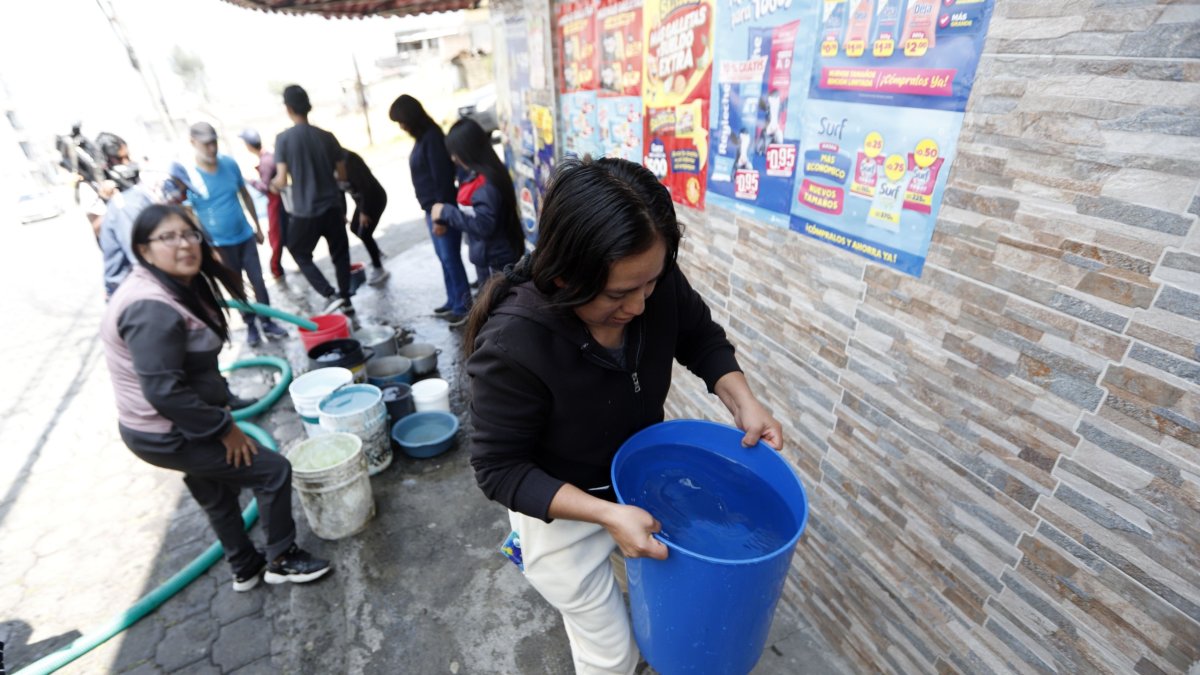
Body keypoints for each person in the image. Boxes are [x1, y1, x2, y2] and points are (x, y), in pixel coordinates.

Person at [464, 157, 783, 674]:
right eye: (617, 294)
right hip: (562, 509)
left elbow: (699, 337)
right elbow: (499, 469)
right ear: (566, 276)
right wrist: (607, 516)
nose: (638, 306)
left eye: (650, 284)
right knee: (612, 656)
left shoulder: (649, 279)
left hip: (636, 485)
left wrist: (742, 399)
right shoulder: (513, 345)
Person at [100, 204, 333, 591]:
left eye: (190, 234)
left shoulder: (167, 285)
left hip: (173, 425)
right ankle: (282, 559)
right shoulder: (150, 309)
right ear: (143, 250)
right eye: (168, 237)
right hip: (168, 431)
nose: (184, 245)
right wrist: (225, 429)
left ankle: (245, 567)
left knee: (216, 490)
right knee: (272, 471)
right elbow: (163, 392)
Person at [180, 122, 288, 348]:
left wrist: (257, 227)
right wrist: (207, 248)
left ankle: (267, 322)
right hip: (219, 245)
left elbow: (245, 195)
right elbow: (189, 214)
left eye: (214, 143)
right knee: (237, 287)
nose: (212, 149)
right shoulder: (190, 176)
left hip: (244, 236)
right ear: (193, 143)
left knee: (258, 281)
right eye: (206, 144)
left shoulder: (229, 164)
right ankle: (250, 325)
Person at [271, 85, 354, 315]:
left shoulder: (283, 139)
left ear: (288, 108)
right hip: (333, 206)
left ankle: (329, 294)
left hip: (306, 211)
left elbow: (281, 179)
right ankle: (346, 298)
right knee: (340, 254)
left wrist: (271, 186)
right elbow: (343, 175)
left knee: (298, 251)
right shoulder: (327, 137)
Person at [388, 94, 470, 323]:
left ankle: (463, 306)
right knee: (444, 258)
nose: (402, 127)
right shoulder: (423, 138)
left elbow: (442, 179)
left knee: (450, 258)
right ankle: (453, 300)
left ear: (412, 118)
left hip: (440, 210)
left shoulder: (432, 138)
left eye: (402, 122)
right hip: (432, 210)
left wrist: (440, 218)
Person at [430, 118, 523, 295]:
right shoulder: (490, 172)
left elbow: (483, 225)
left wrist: (446, 211)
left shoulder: (485, 184)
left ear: (467, 151)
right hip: (499, 254)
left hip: (494, 259)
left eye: (455, 153)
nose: (453, 158)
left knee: (495, 305)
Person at [238, 128, 289, 282]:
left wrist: (250, 181)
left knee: (276, 236)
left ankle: (276, 269)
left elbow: (266, 186)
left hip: (276, 202)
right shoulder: (268, 157)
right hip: (278, 200)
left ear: (248, 145)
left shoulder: (266, 161)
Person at [342, 150, 390, 286]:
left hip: (374, 198)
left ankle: (379, 268)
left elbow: (365, 187)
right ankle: (376, 252)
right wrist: (343, 213)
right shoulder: (329, 165)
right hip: (362, 201)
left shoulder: (348, 160)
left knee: (365, 232)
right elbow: (339, 192)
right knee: (354, 228)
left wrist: (364, 212)